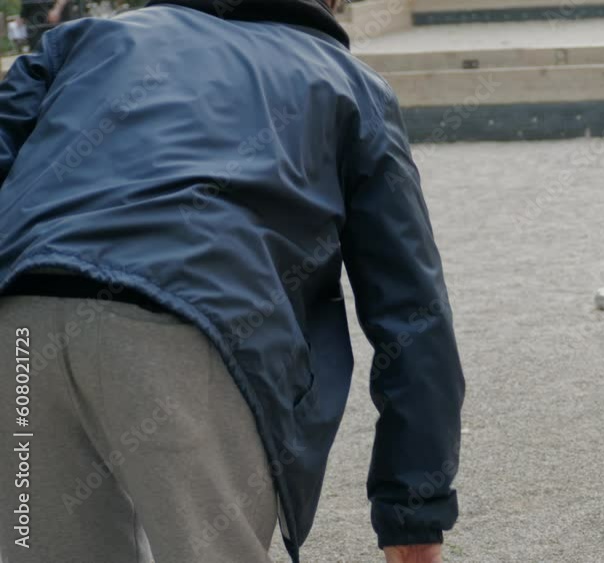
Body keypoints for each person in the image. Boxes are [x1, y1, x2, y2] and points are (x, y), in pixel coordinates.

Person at [0, 1, 465, 562]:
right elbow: (412, 308)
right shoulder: (348, 85)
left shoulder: (85, 40)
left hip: (18, 328)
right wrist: (412, 513)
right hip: (190, 324)